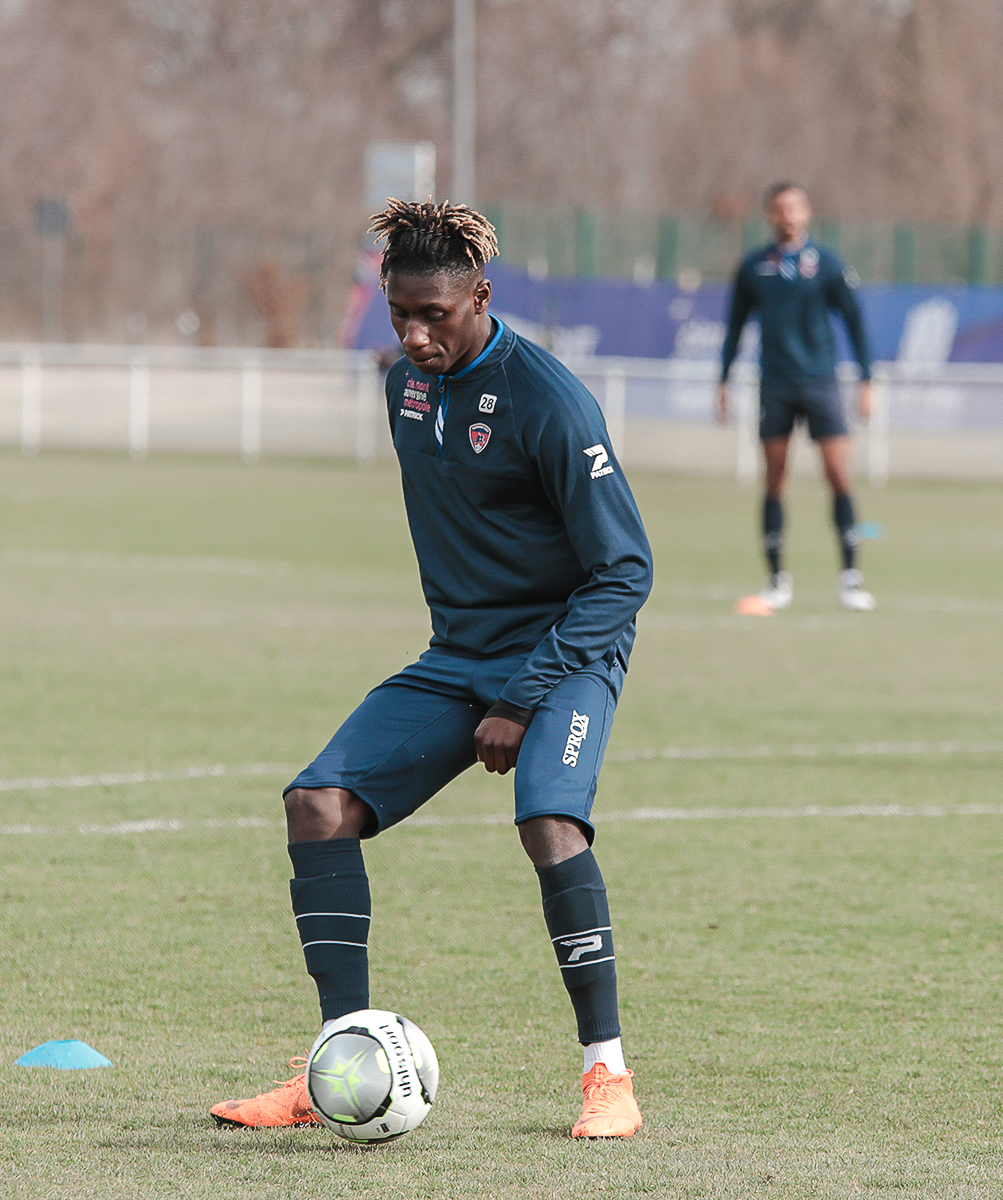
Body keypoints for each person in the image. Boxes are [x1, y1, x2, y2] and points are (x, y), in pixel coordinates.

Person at [210, 200, 654, 1140]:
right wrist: (479, 676)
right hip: (459, 656)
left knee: (547, 821)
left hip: (564, 652)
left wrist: (525, 692)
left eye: (436, 317)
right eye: (399, 314)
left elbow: (626, 571)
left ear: (482, 298)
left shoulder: (553, 402)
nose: (415, 336)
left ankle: (607, 1078)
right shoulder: (403, 388)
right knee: (315, 805)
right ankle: (338, 1066)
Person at [717, 182, 876, 611]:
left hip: (821, 384)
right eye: (779, 209)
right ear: (769, 214)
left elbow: (855, 321)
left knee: (839, 476)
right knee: (774, 480)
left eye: (795, 208)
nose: (787, 216)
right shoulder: (753, 268)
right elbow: (734, 328)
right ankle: (776, 580)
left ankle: (850, 577)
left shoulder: (827, 264)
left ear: (807, 213)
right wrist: (723, 380)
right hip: (776, 385)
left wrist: (866, 381)